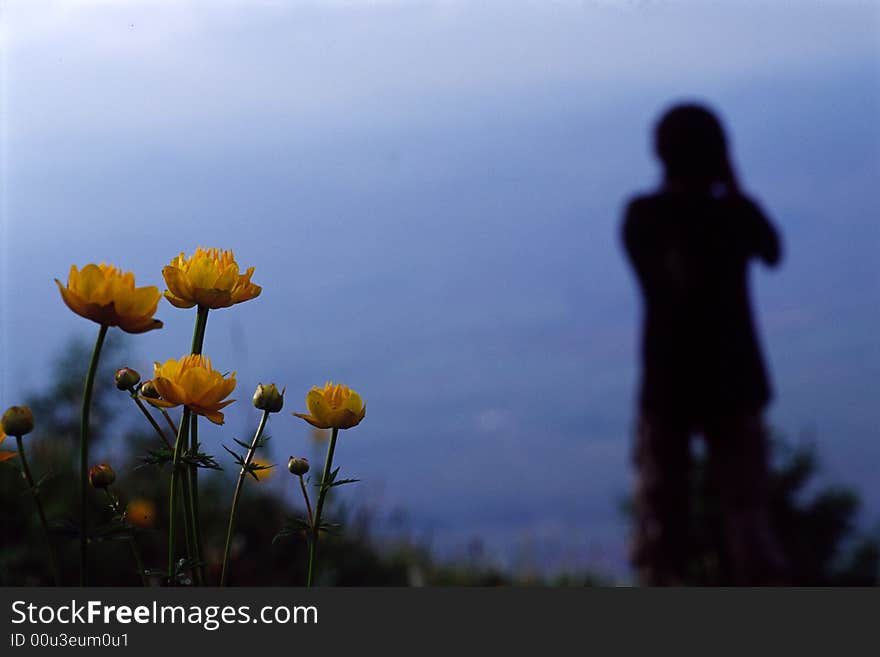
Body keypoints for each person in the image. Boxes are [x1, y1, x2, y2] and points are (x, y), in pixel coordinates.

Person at [621, 103, 787, 585]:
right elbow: (773, 250)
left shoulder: (642, 217)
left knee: (661, 521)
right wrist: (732, 185)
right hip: (735, 382)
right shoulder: (734, 216)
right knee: (747, 515)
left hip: (667, 383)